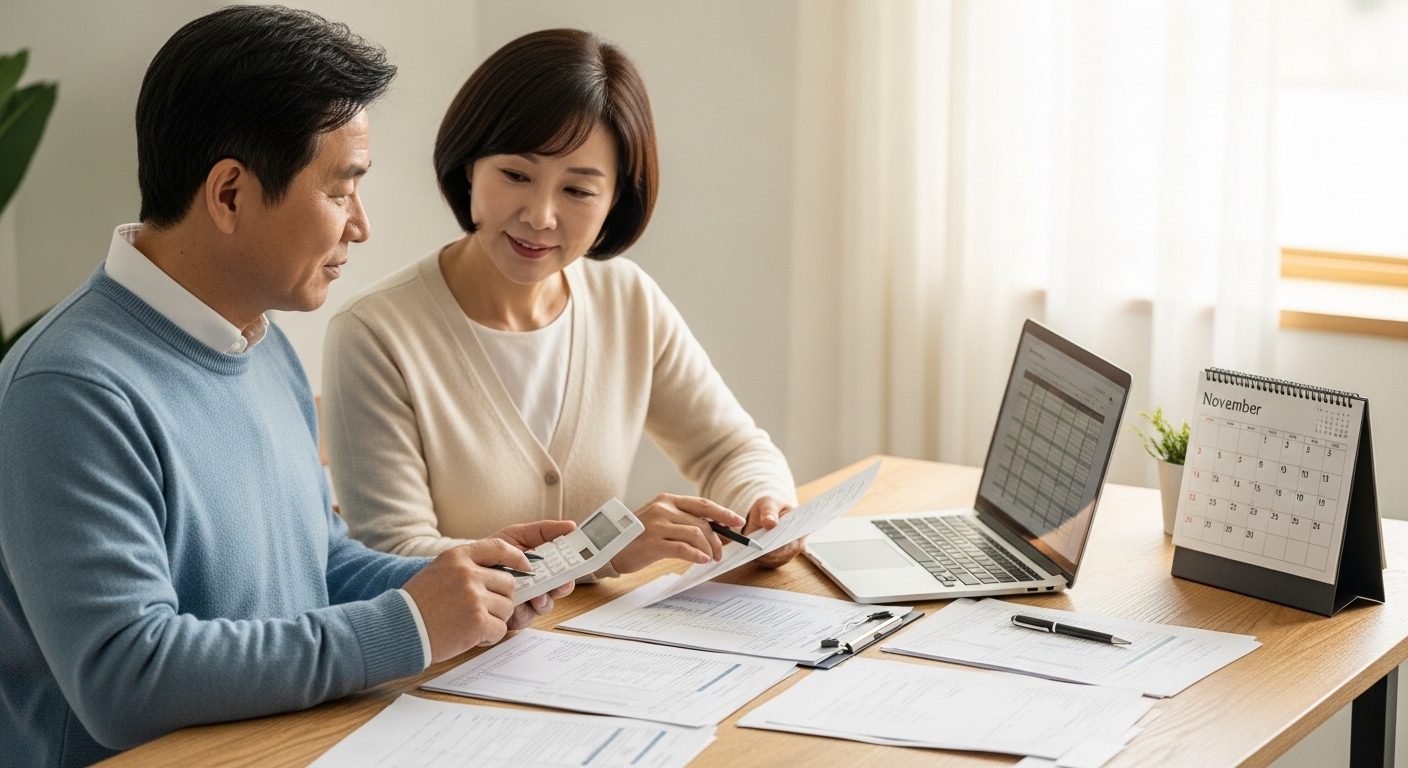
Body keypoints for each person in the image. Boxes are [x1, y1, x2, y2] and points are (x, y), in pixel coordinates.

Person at [0, 8, 571, 766]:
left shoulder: (257, 338)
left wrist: (467, 584)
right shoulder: (69, 389)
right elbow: (125, 677)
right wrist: (409, 625)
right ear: (230, 194)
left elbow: (319, 566)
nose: (360, 226)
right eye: (342, 191)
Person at [321, 28, 801, 576]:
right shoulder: (375, 333)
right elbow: (394, 555)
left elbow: (732, 451)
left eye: (578, 190)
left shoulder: (627, 300)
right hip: (462, 659)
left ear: (615, 199)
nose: (541, 216)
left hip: (600, 650)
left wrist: (766, 509)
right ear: (470, 166)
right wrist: (597, 552)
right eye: (516, 174)